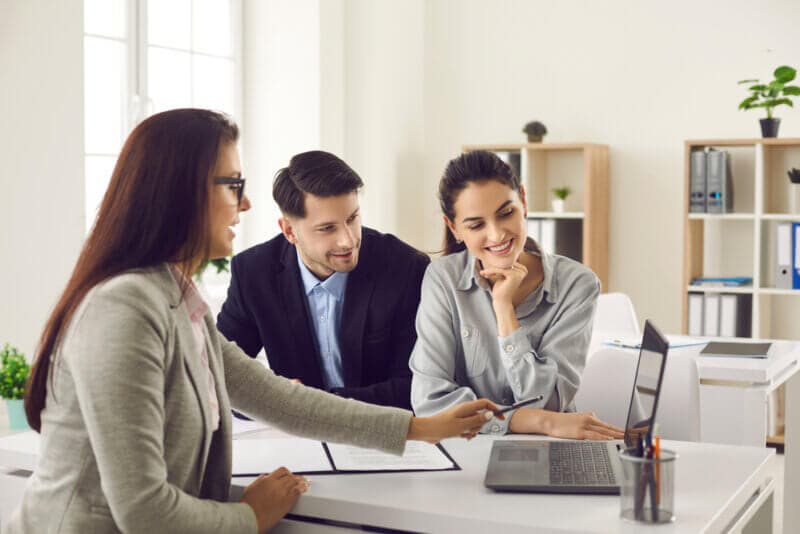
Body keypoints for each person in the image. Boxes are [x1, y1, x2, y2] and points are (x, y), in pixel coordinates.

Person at [7, 110, 500, 534]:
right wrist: (249, 515)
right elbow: (144, 512)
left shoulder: (176, 297)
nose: (245, 203)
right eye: (233, 185)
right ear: (182, 193)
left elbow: (275, 398)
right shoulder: (123, 308)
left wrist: (419, 428)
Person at [410, 150, 624, 439]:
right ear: (454, 228)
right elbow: (430, 405)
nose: (497, 235)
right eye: (476, 225)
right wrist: (537, 421)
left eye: (506, 213)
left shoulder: (577, 284)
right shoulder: (443, 279)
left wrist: (503, 310)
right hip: (469, 450)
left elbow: (548, 401)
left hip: (551, 448)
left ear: (523, 201)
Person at [217, 150, 429, 409]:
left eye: (352, 219)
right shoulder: (253, 273)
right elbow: (219, 377)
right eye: (328, 228)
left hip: (385, 434)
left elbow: (416, 386)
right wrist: (273, 399)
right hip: (296, 438)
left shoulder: (405, 267)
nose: (348, 240)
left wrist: (307, 404)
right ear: (289, 231)